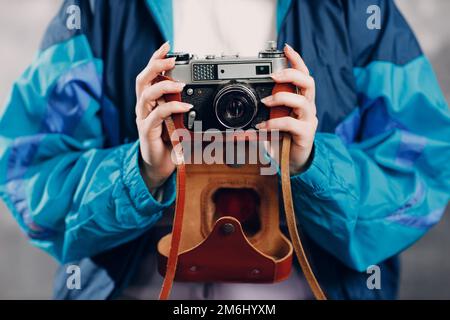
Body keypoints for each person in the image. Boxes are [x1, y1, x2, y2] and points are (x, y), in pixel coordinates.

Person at [0, 0, 449, 300]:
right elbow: (27, 177)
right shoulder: (99, 10)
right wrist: (139, 170)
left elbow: (424, 174)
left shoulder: (355, 10)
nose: (232, 106)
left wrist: (312, 164)